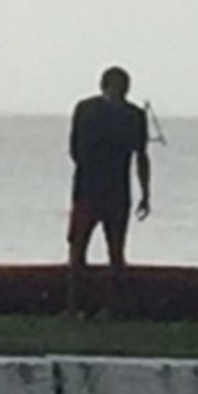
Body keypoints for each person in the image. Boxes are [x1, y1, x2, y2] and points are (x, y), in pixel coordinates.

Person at [66, 66, 152, 316]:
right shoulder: (134, 115)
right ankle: (111, 307)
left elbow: (74, 151)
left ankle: (75, 307)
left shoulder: (85, 109)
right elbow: (141, 157)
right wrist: (146, 193)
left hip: (87, 189)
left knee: (78, 250)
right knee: (114, 252)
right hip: (116, 191)